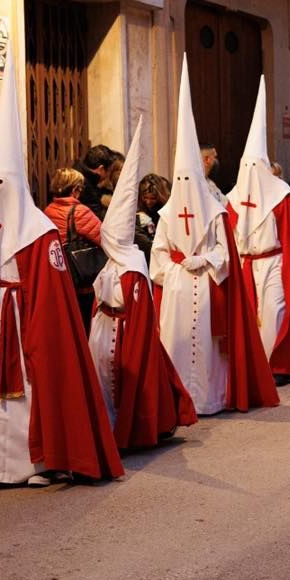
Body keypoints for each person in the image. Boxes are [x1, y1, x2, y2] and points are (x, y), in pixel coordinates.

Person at [0, 66, 123, 489]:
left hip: (25, 326)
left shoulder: (41, 233)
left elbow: (52, 301)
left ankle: (39, 459)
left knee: (27, 389)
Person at [150, 58, 278, 416]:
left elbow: (225, 251)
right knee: (176, 343)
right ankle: (178, 400)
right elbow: (157, 254)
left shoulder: (217, 212)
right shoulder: (165, 214)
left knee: (207, 347)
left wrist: (203, 260)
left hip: (207, 288)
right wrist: (175, 269)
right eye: (181, 182)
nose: (187, 190)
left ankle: (209, 398)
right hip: (176, 290)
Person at [88, 116, 197, 447]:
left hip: (124, 334)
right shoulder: (111, 262)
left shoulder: (133, 264)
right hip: (105, 331)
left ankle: (132, 425)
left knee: (126, 380)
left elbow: (134, 309)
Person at [229, 78, 290, 379]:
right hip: (246, 263)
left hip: (273, 262)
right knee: (249, 315)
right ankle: (252, 366)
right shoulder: (232, 198)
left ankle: (274, 364)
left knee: (273, 311)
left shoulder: (281, 195)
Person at [44, 167, 104, 325]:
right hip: (81, 281)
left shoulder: (48, 210)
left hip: (57, 275)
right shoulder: (79, 212)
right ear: (76, 189)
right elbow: (105, 239)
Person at [76, 144, 118, 218]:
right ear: (101, 169)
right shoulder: (85, 185)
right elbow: (98, 215)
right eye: (109, 171)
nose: (108, 175)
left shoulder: (79, 169)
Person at [136, 173, 168, 260]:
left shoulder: (165, 212)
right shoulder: (137, 214)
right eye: (145, 197)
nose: (148, 202)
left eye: (153, 198)